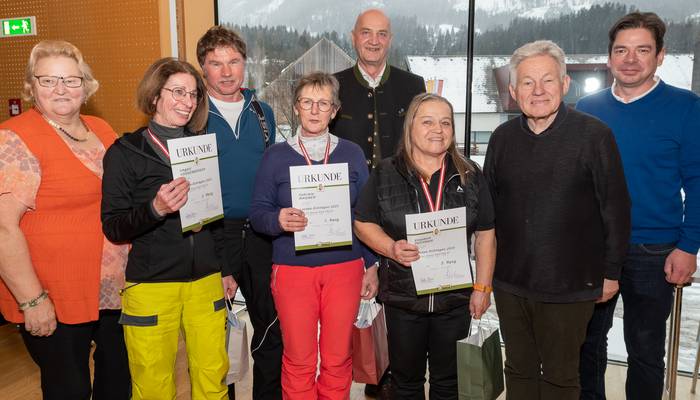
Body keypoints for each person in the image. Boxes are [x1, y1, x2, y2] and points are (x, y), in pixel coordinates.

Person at [483, 40, 631, 400]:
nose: (538, 91)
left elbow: (616, 208)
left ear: (565, 85)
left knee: (562, 377)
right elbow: (488, 209)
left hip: (570, 285)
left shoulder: (595, 136)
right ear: (514, 91)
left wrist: (611, 274)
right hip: (511, 282)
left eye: (547, 80)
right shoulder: (501, 139)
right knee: (518, 369)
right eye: (528, 83)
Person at [577, 12, 700, 400]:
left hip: (655, 250)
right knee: (587, 345)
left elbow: (698, 181)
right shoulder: (586, 107)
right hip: (594, 250)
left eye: (642, 50)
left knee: (646, 351)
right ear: (609, 57)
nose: (630, 59)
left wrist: (688, 246)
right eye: (621, 50)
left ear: (660, 55)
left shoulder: (686, 108)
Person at [0, 40, 130, 400]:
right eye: (48, 80)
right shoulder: (15, 138)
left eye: (71, 80)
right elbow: (3, 228)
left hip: (112, 289)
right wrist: (31, 300)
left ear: (86, 86)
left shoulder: (101, 129)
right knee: (68, 390)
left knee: (119, 382)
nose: (61, 89)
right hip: (55, 296)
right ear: (31, 86)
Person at [354, 92, 496, 399]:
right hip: (403, 301)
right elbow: (363, 223)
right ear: (410, 127)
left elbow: (486, 234)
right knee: (406, 384)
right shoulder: (385, 173)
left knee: (449, 384)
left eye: (445, 122)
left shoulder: (470, 175)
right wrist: (391, 248)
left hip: (454, 301)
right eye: (428, 121)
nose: (438, 129)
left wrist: (482, 288)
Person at [101, 57, 228, 400]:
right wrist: (154, 209)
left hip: (205, 282)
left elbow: (216, 219)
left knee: (212, 380)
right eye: (178, 92)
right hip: (152, 284)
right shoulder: (125, 152)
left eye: (193, 94)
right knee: (153, 386)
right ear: (155, 95)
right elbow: (113, 226)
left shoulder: (200, 148)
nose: (188, 102)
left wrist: (226, 271)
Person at [249, 72, 378, 400]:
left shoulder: (351, 154)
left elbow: (367, 215)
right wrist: (278, 219)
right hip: (292, 270)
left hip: (345, 268)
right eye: (308, 102)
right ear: (295, 108)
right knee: (299, 360)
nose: (315, 110)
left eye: (323, 103)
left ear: (335, 110)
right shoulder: (275, 157)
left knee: (337, 359)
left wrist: (371, 264)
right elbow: (258, 214)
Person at [196, 25, 281, 400]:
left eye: (233, 61)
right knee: (218, 335)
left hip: (263, 233)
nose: (226, 71)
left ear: (245, 64)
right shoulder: (192, 117)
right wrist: (221, 264)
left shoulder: (263, 114)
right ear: (203, 69)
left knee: (270, 328)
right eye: (216, 63)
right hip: (214, 235)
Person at [331, 8, 426, 169]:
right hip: (348, 191)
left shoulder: (414, 86)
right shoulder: (332, 85)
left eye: (382, 34)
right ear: (353, 38)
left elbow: (424, 143)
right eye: (366, 33)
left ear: (390, 39)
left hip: (401, 190)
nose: (374, 41)